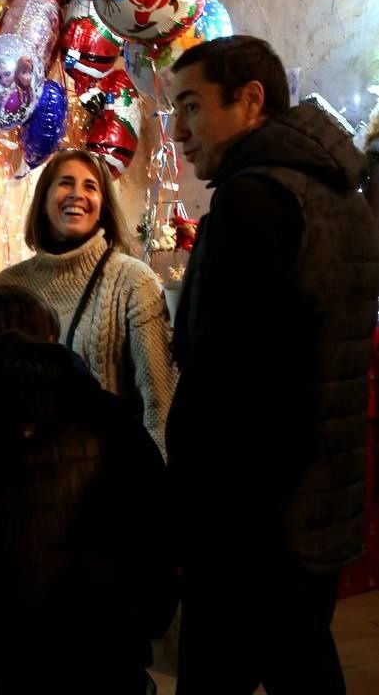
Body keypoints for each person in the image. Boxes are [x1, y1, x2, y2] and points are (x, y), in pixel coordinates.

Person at [165, 35, 379, 694]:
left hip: (250, 521)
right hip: (313, 500)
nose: (179, 131)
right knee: (302, 660)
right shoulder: (336, 192)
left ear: (250, 101)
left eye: (192, 106)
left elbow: (233, 379)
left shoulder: (252, 198)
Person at [0, 284, 178, 695]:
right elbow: (158, 530)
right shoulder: (111, 418)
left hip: (19, 665)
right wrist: (149, 620)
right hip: (116, 654)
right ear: (49, 340)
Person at [0, 148, 176, 454]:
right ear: (43, 201)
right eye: (65, 183)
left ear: (102, 207)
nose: (77, 195)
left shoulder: (134, 282)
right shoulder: (10, 285)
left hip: (104, 483)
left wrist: (154, 483)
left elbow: (160, 402)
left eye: (90, 187)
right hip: (22, 484)